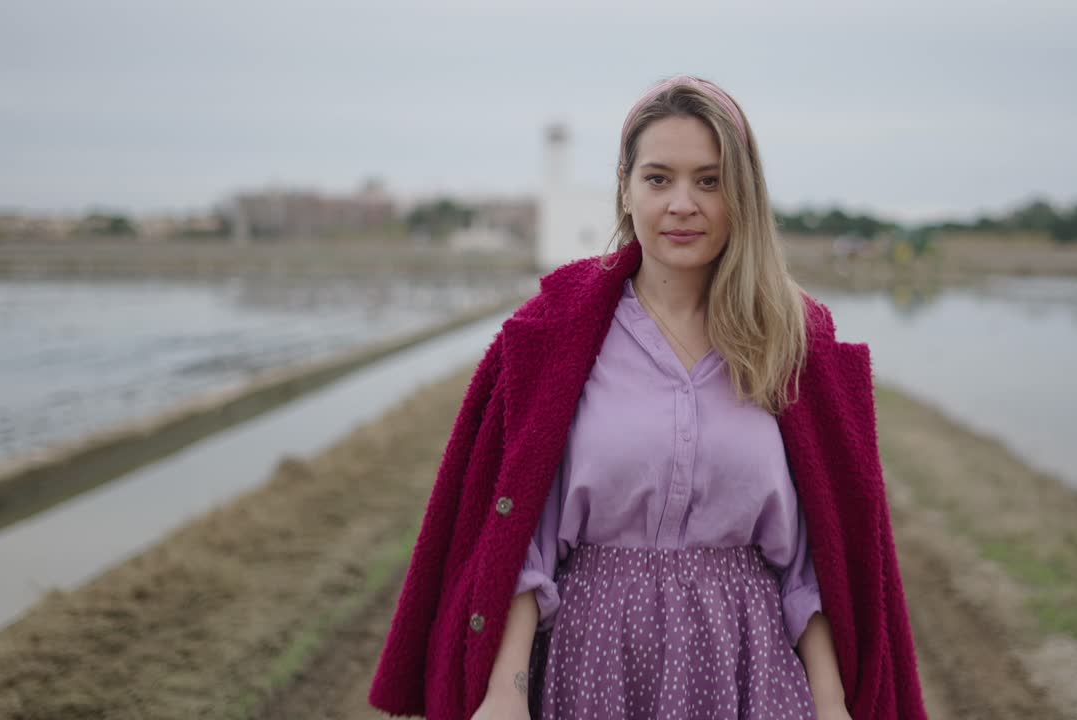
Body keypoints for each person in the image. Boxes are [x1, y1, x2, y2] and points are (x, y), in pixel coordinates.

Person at [369, 75, 926, 720]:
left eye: (710, 181)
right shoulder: (556, 335)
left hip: (748, 669)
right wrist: (506, 693)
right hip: (593, 666)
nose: (682, 204)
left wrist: (831, 705)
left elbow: (814, 562)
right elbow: (522, 540)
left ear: (743, 193)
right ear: (626, 188)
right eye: (659, 179)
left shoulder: (793, 343)